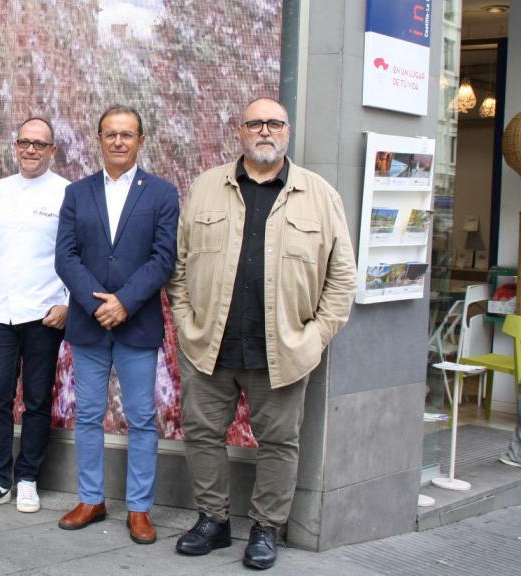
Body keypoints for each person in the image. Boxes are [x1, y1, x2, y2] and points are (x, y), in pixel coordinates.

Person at [167, 97, 356, 570]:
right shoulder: (206, 187)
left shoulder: (320, 194)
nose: (265, 131)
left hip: (285, 351)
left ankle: (266, 528)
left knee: (280, 443)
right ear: (241, 131)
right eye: (256, 123)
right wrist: (187, 322)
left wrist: (315, 337)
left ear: (287, 132)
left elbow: (342, 279)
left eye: (274, 123)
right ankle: (212, 520)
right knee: (202, 434)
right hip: (210, 346)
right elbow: (179, 263)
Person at [54, 104, 179, 544]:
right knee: (88, 415)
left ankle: (140, 509)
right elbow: (65, 257)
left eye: (127, 134)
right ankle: (91, 499)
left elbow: (164, 257)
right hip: (90, 325)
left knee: (142, 418)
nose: (119, 141)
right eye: (111, 134)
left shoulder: (162, 193)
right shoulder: (77, 193)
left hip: (136, 322)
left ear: (141, 141)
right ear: (99, 139)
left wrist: (124, 303)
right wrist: (96, 305)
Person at [0, 117, 70, 514]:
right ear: (16, 145)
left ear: (52, 150)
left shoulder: (66, 192)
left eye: (39, 144)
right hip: (1, 314)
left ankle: (27, 478)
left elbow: (74, 252)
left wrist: (66, 304)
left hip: (46, 313)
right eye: (25, 142)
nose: (30, 150)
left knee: (38, 399)